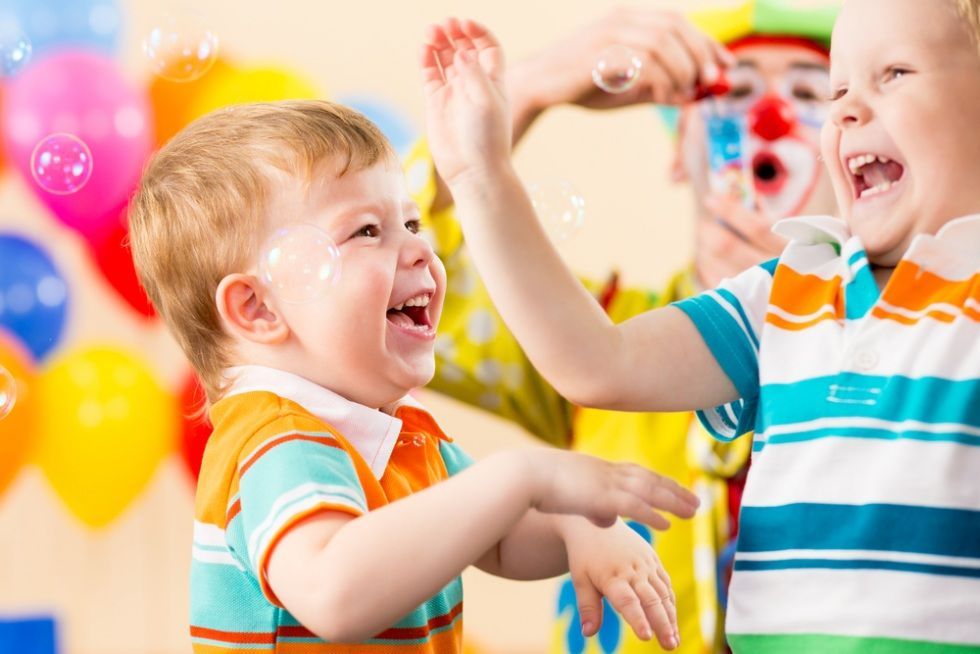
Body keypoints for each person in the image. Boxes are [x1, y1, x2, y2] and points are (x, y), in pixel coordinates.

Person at [420, 0, 980, 650]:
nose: (842, 111)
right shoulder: (767, 301)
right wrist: (486, 154)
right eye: (837, 92)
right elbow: (582, 356)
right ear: (678, 150)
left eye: (894, 74)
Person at [127, 100, 705, 652]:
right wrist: (522, 475)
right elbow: (334, 593)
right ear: (258, 308)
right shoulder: (276, 440)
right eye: (367, 232)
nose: (422, 250)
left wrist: (579, 529)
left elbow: (501, 537)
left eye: (411, 222)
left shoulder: (399, 431)